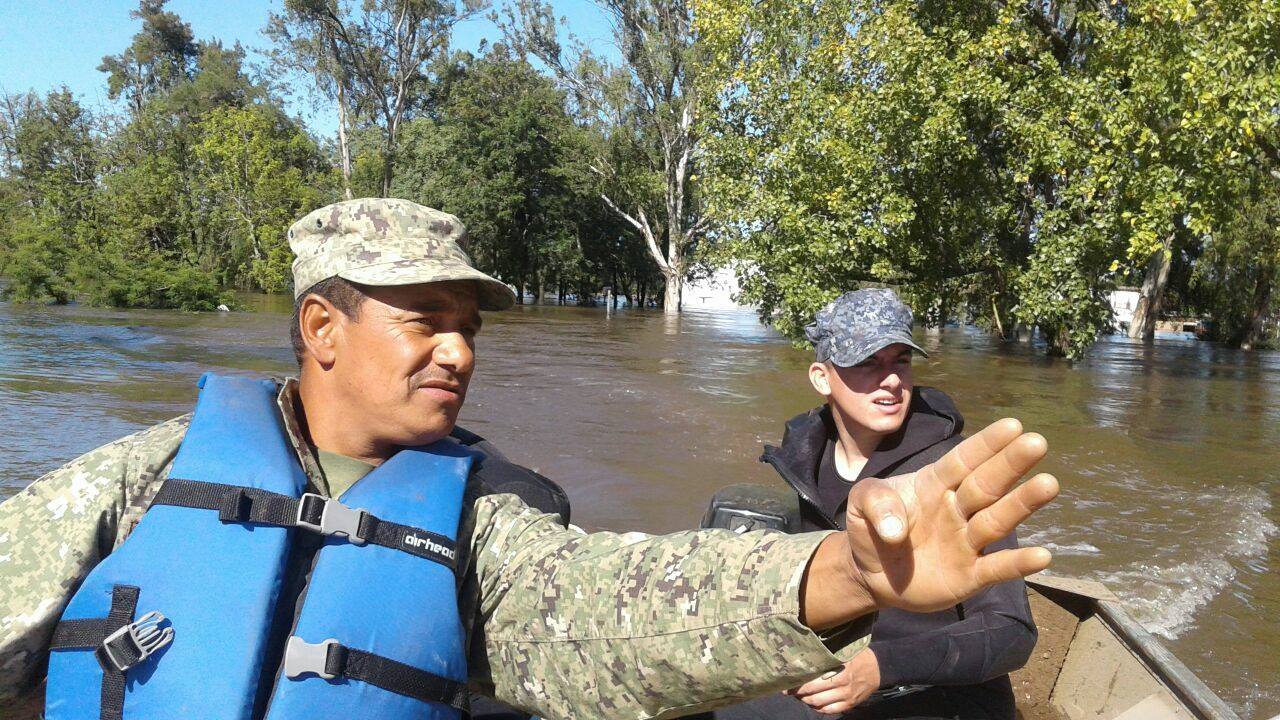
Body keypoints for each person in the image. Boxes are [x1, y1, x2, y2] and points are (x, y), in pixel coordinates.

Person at [0, 199, 1058, 720]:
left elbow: (612, 607)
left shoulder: (480, 514)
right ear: (321, 328)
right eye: (424, 319)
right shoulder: (138, 478)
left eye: (468, 324)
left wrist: (841, 577)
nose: (458, 350)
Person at [709, 289, 1036, 720]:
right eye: (868, 362)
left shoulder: (953, 474)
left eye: (901, 360)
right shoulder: (802, 468)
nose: (891, 380)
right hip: (828, 682)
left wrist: (880, 668)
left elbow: (1011, 631)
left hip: (936, 697)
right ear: (822, 378)